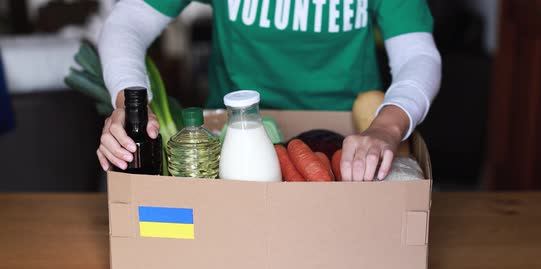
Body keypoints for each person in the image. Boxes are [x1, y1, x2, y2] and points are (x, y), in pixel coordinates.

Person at [96, 0, 441, 181]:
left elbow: (418, 55)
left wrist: (387, 127)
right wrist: (129, 104)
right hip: (229, 146)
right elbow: (129, 20)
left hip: (350, 150)